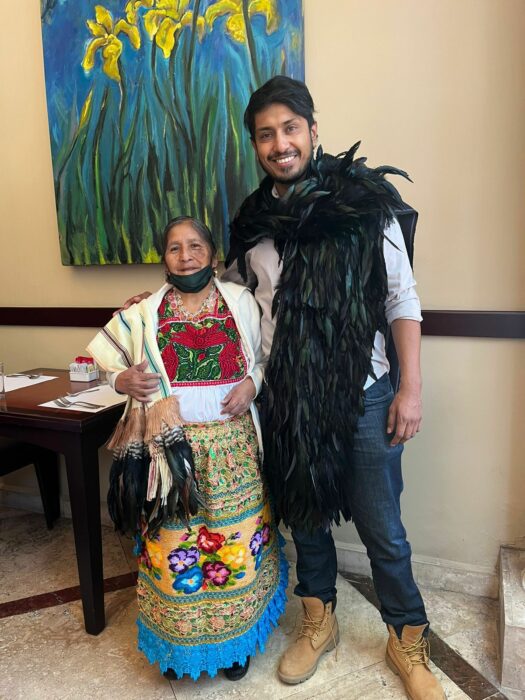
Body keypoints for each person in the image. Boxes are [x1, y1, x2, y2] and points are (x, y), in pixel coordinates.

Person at [118, 78, 444, 699]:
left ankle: (408, 640)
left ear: (313, 132)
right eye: (265, 134)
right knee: (304, 517)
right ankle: (318, 619)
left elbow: (402, 299)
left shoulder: (365, 204)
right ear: (256, 145)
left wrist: (411, 389)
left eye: (290, 128)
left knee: (383, 528)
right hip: (285, 399)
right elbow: (229, 303)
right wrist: (152, 305)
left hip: (364, 391)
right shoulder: (253, 224)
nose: (279, 143)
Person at [87, 216, 287, 682]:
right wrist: (121, 379)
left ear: (213, 255)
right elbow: (101, 360)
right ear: (164, 259)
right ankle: (178, 646)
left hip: (232, 448)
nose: (185, 255)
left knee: (233, 546)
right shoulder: (143, 312)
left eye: (195, 245)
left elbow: (265, 360)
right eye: (174, 248)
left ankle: (234, 643)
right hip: (170, 457)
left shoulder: (239, 301)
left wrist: (252, 386)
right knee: (172, 548)